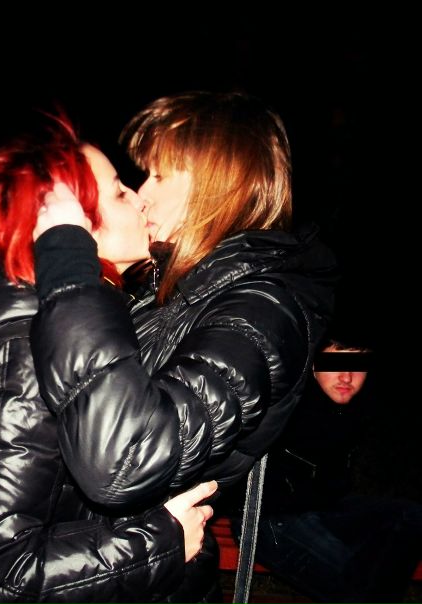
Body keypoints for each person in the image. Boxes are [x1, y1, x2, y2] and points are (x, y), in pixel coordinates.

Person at [0, 112, 218, 604]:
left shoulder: (67, 325)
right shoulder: (22, 359)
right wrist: (158, 544)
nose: (140, 199)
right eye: (119, 192)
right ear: (70, 225)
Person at [30, 91, 338, 603]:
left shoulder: (260, 309)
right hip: (105, 567)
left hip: (148, 582)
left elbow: (122, 461)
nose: (142, 193)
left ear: (218, 180)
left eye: (159, 175)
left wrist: (73, 276)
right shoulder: (178, 287)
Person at [231, 336, 422, 604]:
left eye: (358, 365)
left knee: (409, 517)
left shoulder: (355, 408)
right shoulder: (286, 400)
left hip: (325, 509)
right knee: (357, 577)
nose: (347, 377)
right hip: (270, 520)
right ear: (313, 365)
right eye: (335, 362)